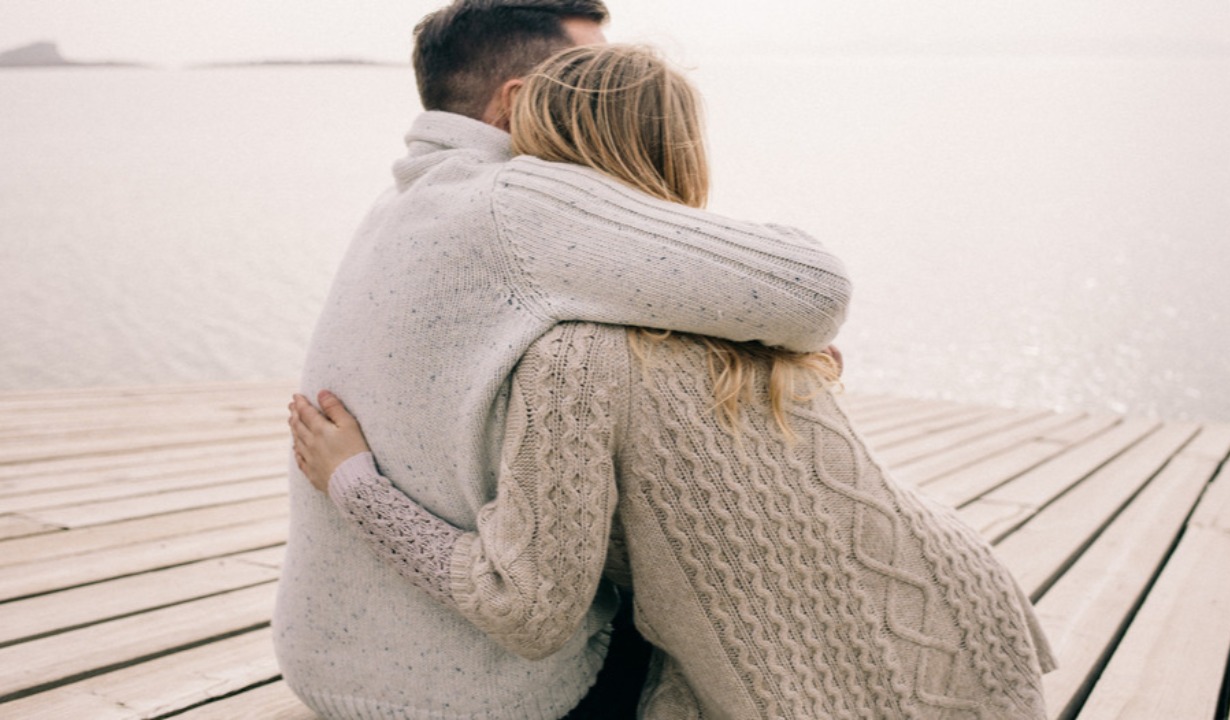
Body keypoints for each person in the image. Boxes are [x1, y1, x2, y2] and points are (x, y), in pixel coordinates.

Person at [290, 44, 1057, 719]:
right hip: (965, 612)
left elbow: (523, 607)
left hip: (816, 690)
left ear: (544, 153)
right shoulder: (742, 321)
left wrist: (355, 483)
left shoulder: (572, 357)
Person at [272, 1, 852, 719]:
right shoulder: (515, 202)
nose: (607, 85)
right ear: (519, 101)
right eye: (587, 74)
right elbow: (811, 288)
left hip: (325, 661)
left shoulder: (399, 201)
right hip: (484, 694)